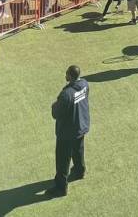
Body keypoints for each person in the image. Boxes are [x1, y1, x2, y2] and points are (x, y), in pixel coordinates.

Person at [49, 65, 90, 198]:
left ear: (70, 76)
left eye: (66, 74)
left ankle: (61, 188)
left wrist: (54, 105)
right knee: (78, 150)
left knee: (62, 160)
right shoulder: (84, 84)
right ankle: (80, 171)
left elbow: (56, 113)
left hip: (67, 132)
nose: (65, 76)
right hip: (80, 125)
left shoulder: (66, 94)